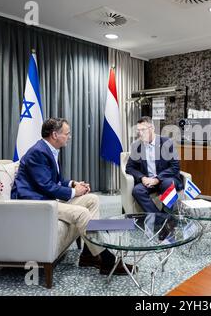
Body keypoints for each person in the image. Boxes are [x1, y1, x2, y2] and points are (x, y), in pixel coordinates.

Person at [11, 118, 132, 276]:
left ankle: (88, 255)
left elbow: (56, 180)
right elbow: (46, 186)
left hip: (46, 199)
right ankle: (107, 260)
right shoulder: (38, 152)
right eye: (67, 134)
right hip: (36, 203)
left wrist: (74, 184)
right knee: (82, 213)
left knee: (93, 200)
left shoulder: (49, 149)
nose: (69, 137)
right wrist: (75, 192)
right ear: (55, 134)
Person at [126, 116, 182, 213]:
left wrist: (157, 179)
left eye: (143, 129)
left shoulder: (166, 143)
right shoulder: (137, 146)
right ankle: (159, 218)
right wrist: (142, 178)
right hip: (148, 181)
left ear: (152, 128)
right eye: (138, 130)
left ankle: (167, 216)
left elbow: (175, 167)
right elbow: (129, 167)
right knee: (137, 190)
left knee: (168, 184)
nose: (140, 133)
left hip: (165, 178)